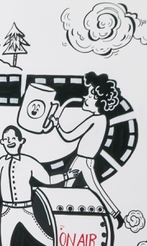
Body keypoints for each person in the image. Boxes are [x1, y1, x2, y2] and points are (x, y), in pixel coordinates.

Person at [0, 125, 76, 246]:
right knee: (5, 245)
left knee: (45, 239)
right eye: (6, 139)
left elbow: (47, 180)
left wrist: (66, 175)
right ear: (2, 142)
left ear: (21, 141)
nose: (10, 141)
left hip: (25, 209)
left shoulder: (29, 162)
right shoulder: (2, 161)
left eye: (13, 138)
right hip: (6, 211)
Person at [49, 71, 124, 228]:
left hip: (84, 161)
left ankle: (66, 219)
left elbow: (69, 136)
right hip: (82, 160)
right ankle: (114, 215)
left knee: (87, 189)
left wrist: (56, 124)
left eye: (90, 96)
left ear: (99, 101)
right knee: (73, 188)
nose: (85, 97)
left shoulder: (95, 119)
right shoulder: (102, 119)